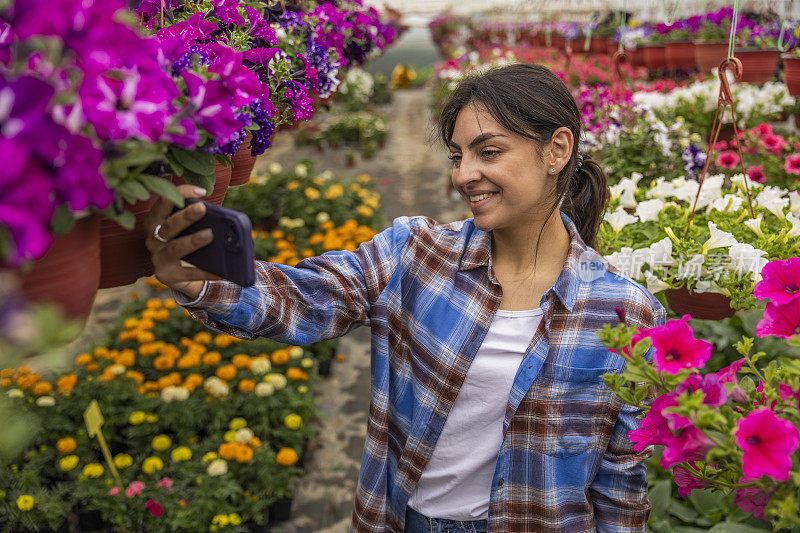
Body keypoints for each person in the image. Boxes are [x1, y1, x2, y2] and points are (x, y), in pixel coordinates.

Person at [144, 63, 665, 533]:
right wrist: (206, 283)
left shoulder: (623, 313)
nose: (463, 175)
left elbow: (621, 483)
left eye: (489, 152)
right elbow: (309, 297)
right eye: (458, 157)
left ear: (557, 149)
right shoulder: (416, 254)